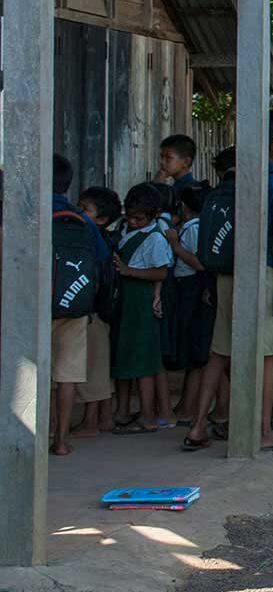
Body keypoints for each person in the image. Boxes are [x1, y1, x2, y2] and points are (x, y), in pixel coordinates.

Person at [182, 115, 273, 453]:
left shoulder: (232, 181)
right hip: (263, 274)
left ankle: (197, 425)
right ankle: (262, 430)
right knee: (267, 353)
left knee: (220, 350)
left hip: (227, 274)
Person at [47, 155, 105, 454]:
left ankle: (35, 434)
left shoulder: (29, 208)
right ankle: (61, 440)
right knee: (66, 375)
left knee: (35, 371)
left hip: (37, 304)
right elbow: (102, 258)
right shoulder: (80, 218)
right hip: (75, 304)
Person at [110, 182, 175, 433]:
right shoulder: (128, 232)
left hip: (140, 299)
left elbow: (161, 271)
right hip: (127, 300)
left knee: (143, 362)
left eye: (140, 218)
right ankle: (123, 411)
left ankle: (148, 415)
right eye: (131, 216)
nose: (134, 221)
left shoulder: (155, 238)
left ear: (153, 215)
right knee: (125, 357)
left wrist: (128, 271)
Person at [70, 186, 120, 439]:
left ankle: (92, 421)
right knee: (96, 368)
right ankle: (101, 418)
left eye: (85, 209)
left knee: (95, 370)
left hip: (95, 312)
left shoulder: (93, 238)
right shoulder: (93, 235)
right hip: (95, 310)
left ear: (102, 219)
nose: (78, 211)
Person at [166, 185, 216, 425]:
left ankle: (189, 407)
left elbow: (199, 263)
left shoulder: (195, 228)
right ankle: (185, 404)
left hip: (193, 288)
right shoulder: (194, 227)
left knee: (196, 353)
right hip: (188, 288)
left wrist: (176, 246)